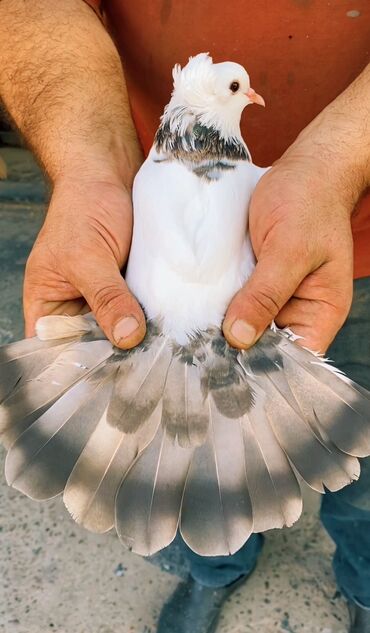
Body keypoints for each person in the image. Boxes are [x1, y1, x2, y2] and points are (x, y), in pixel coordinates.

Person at [0, 1, 369, 632]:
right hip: (245, 303)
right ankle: (213, 574)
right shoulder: (242, 174)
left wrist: (338, 166)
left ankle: (364, 589)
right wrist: (89, 167)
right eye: (236, 88)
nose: (250, 95)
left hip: (338, 248)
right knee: (186, 470)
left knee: (358, 488)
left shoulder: (157, 175)